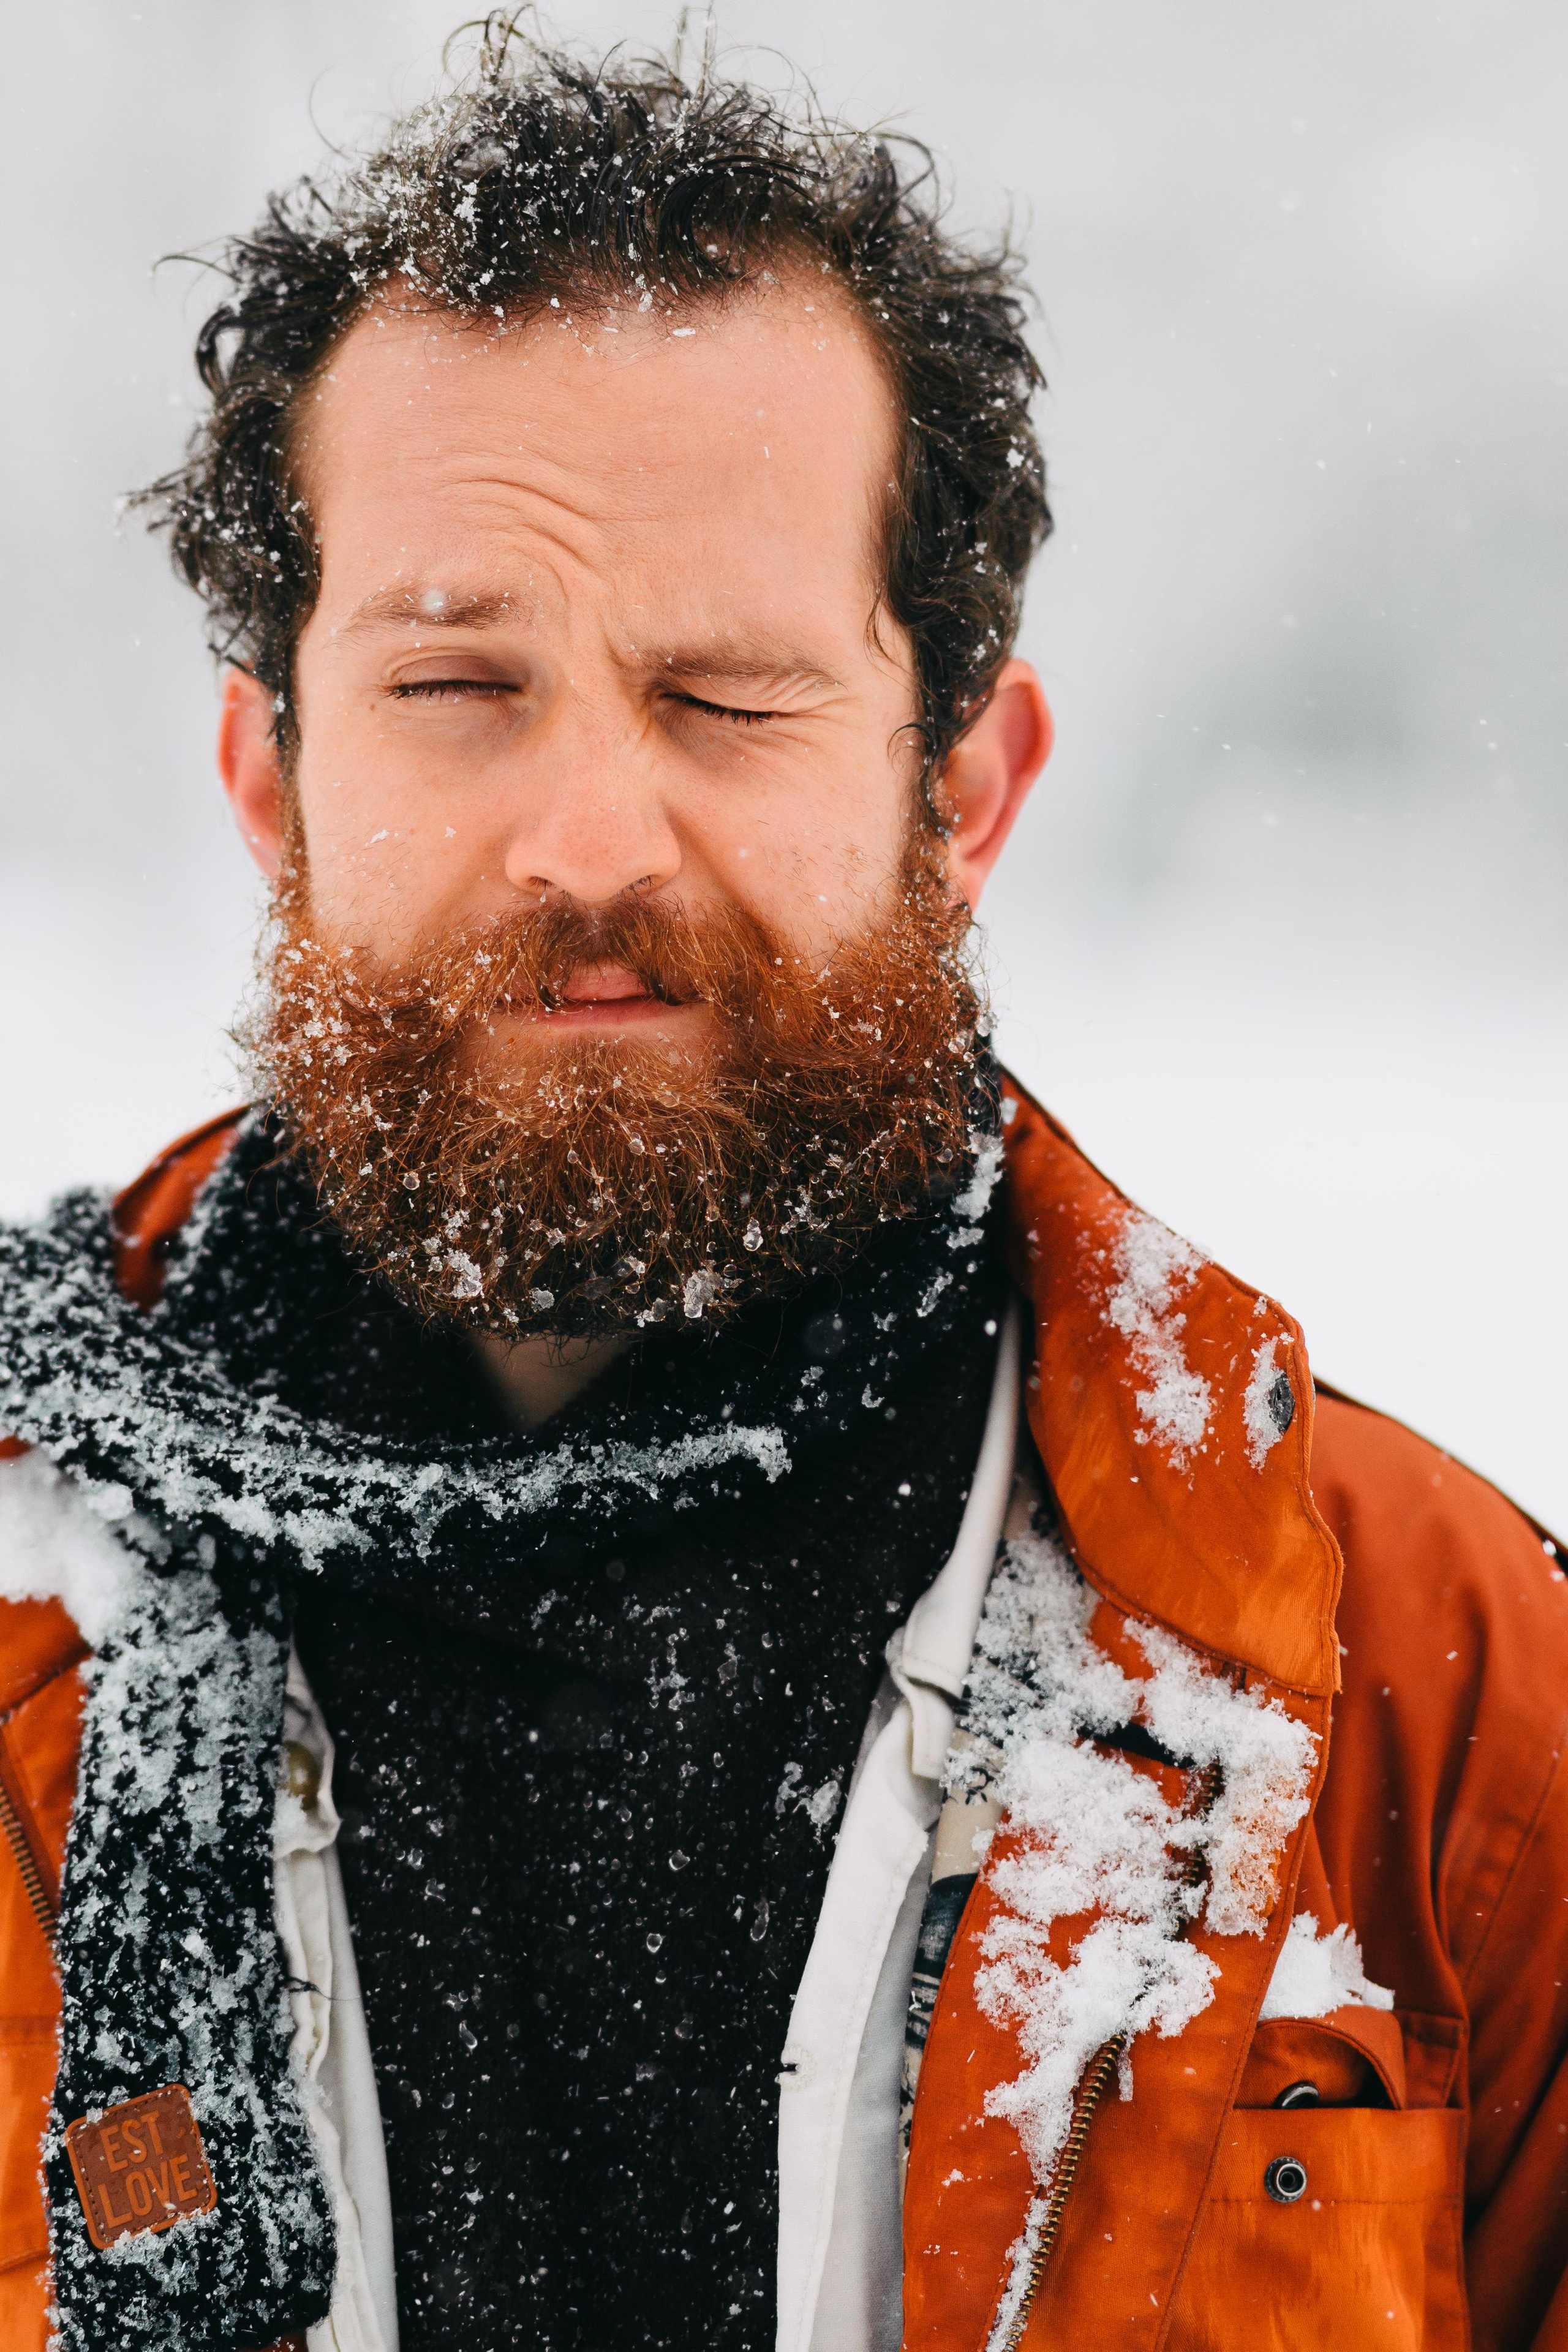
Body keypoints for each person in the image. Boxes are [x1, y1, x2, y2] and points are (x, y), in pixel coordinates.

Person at [0, 24, 1563, 2352]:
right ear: (271, 772)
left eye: (728, 698)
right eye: (455, 685)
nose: (593, 841)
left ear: (965, 782)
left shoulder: (1427, 1704)